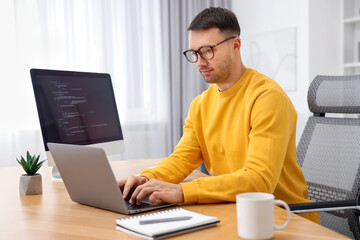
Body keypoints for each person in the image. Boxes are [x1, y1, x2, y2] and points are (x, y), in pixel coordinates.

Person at [118, 7, 319, 223]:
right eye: (194, 53)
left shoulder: (267, 97)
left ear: (236, 45)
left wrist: (184, 191)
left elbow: (259, 181)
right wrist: (145, 179)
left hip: (283, 217)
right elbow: (182, 159)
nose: (200, 62)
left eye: (207, 51)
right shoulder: (201, 104)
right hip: (237, 211)